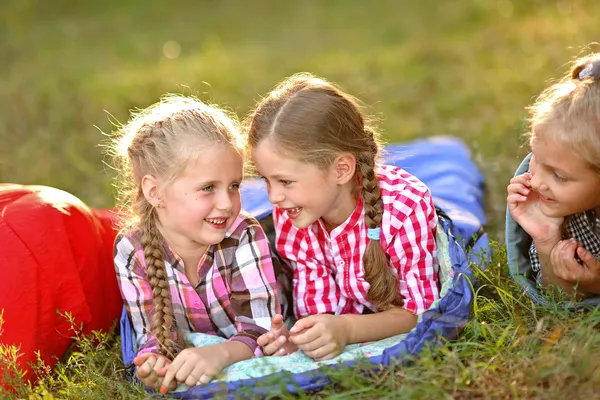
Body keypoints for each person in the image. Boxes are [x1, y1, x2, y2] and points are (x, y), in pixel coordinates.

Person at [248, 73, 440, 360]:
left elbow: (419, 313)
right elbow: (318, 309)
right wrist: (303, 338)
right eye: (265, 180)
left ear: (341, 169)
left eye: (285, 181)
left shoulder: (404, 209)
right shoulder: (293, 213)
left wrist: (347, 329)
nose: (273, 196)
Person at [111, 95, 282, 393]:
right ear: (154, 192)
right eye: (208, 188)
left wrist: (221, 354)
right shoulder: (132, 250)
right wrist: (156, 362)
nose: (226, 203)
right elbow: (152, 334)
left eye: (234, 186)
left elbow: (264, 329)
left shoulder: (242, 234)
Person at [507, 54, 600, 299]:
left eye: (559, 176)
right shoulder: (562, 209)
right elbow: (560, 303)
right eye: (536, 158)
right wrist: (546, 240)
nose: (535, 183)